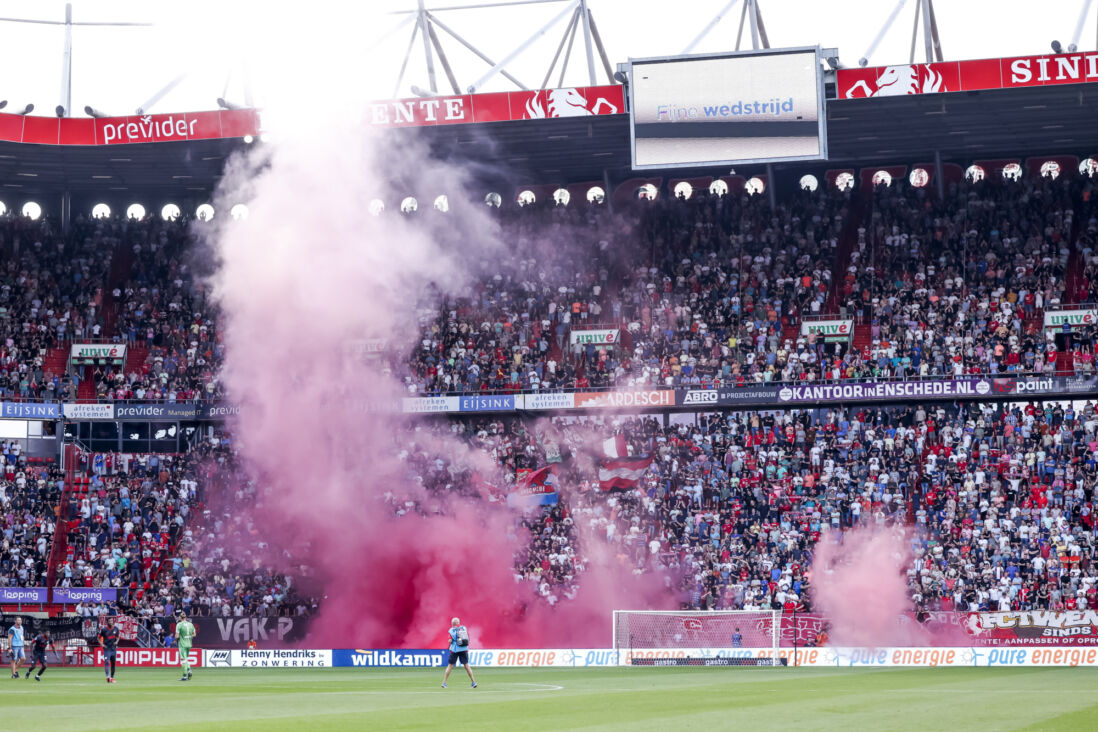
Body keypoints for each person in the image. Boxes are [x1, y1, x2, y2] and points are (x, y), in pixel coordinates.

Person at [441, 617, 477, 689]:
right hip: (464, 649)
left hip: (454, 650)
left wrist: (450, 642)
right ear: (458, 623)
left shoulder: (451, 630)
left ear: (452, 623)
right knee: (467, 666)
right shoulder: (464, 628)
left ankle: (444, 683)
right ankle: (473, 682)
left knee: (450, 666)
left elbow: (450, 640)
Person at [175, 611, 196, 681]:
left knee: (183, 660)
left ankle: (185, 675)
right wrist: (189, 636)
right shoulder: (191, 624)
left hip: (182, 644)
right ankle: (188, 670)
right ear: (185, 618)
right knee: (186, 659)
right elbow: (194, 634)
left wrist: (176, 638)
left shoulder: (179, 624)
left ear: (180, 618)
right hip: (189, 644)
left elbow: (177, 636)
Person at [98, 616, 120, 684]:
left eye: (111, 621)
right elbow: (98, 638)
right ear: (107, 622)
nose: (111, 622)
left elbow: (118, 637)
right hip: (107, 649)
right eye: (109, 621)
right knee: (107, 662)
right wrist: (102, 644)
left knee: (113, 664)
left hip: (113, 649)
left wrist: (117, 642)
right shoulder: (104, 629)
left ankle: (112, 678)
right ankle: (107, 677)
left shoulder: (116, 629)